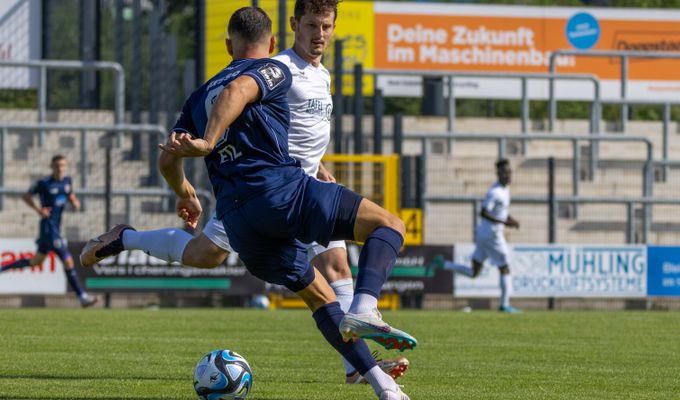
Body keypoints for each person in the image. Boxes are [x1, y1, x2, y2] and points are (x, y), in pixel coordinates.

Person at [81, 7, 412, 399]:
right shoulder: (278, 68)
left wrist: (186, 192)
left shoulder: (211, 90)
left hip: (250, 204)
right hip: (282, 191)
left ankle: (377, 381)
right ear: (280, 37)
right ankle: (365, 316)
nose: (319, 34)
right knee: (387, 226)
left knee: (322, 283)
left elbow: (170, 155)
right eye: (311, 25)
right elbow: (237, 93)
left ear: (227, 46)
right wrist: (207, 142)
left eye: (325, 27)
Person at [1, 155, 97, 308]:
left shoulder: (67, 182)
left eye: (63, 165)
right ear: (52, 167)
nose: (60, 168)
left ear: (66, 166)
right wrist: (39, 209)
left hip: (56, 228)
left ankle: (2, 268)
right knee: (68, 260)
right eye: (57, 165)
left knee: (36, 261)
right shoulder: (44, 183)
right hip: (48, 228)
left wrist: (74, 201)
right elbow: (26, 196)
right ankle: (82, 297)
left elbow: (69, 193)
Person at [429, 159, 521, 313]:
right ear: (498, 173)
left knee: (474, 272)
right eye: (505, 172)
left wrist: (509, 219)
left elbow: (500, 211)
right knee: (505, 267)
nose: (508, 174)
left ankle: (443, 264)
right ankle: (504, 305)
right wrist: (505, 222)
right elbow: (484, 212)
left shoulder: (505, 190)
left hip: (484, 234)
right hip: (492, 235)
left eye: (510, 171)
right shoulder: (495, 192)